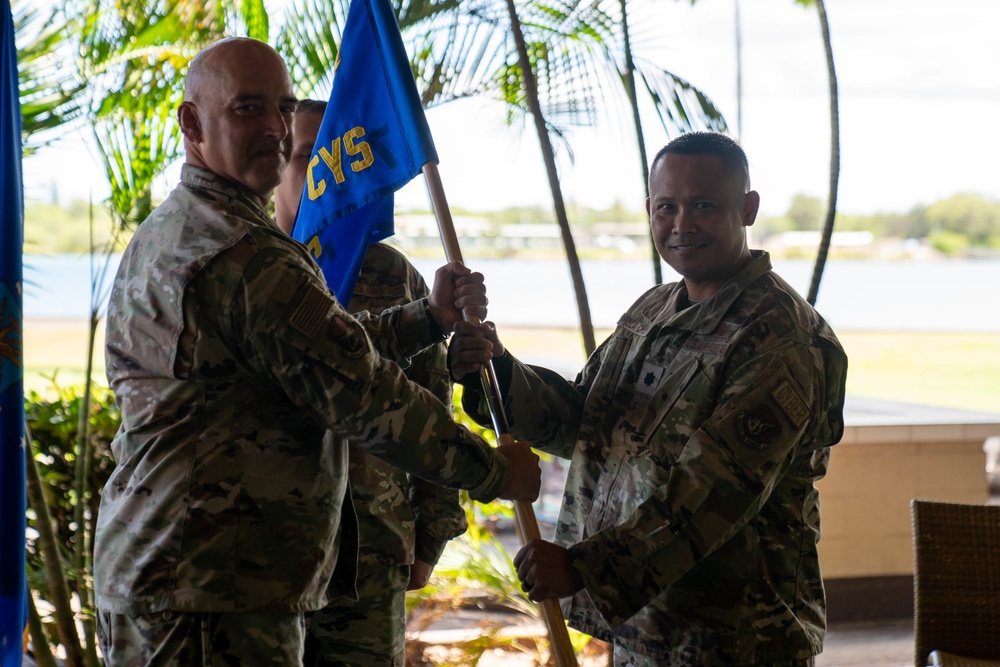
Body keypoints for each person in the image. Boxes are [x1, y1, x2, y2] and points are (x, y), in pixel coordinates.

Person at [93, 37, 540, 667]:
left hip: (182, 575)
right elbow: (366, 397)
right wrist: (499, 472)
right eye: (248, 109)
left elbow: (308, 359)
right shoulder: (245, 256)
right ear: (192, 123)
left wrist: (427, 319)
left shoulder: (180, 227)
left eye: (282, 108)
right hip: (211, 593)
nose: (275, 129)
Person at [451, 132, 848, 666]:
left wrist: (588, 568)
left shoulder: (780, 337)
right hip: (645, 630)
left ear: (747, 208)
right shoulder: (654, 310)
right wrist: (495, 370)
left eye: (703, 205)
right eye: (667, 207)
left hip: (736, 640)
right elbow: (583, 420)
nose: (682, 224)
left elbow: (713, 490)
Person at [273, 99, 466, 666]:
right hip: (269, 551)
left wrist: (430, 534)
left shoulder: (390, 272)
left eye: (336, 162)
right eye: (307, 157)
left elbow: (432, 399)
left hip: (373, 552)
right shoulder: (251, 265)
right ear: (278, 163)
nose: (321, 176)